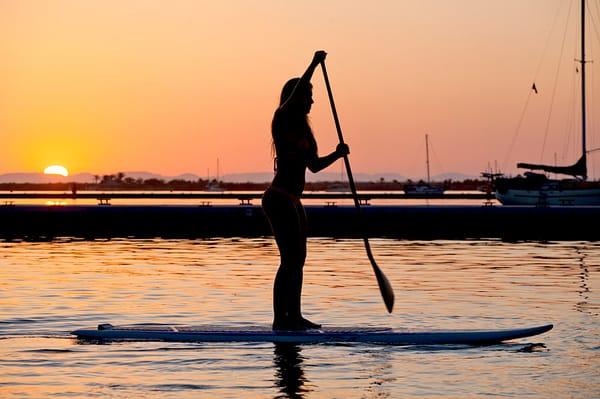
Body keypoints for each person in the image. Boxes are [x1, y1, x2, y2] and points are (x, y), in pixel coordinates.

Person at [262, 51, 350, 330]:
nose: (312, 100)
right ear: (296, 97)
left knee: (298, 260)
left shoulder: (305, 132)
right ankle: (280, 321)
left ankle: (295, 317)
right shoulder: (282, 119)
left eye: (312, 95)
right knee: (288, 260)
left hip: (294, 201)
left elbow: (313, 167)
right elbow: (299, 90)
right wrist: (313, 64)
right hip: (278, 199)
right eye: (308, 95)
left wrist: (337, 155)